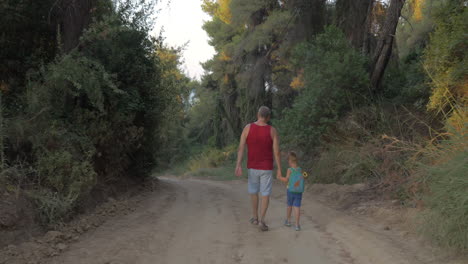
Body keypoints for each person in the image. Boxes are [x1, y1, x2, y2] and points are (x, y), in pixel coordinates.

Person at [235, 106, 282, 231]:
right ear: (268, 117)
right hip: (266, 168)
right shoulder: (272, 130)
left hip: (252, 167)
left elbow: (241, 148)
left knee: (253, 192)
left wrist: (238, 164)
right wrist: (279, 169)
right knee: (265, 194)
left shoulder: (247, 128)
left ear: (257, 115)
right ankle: (262, 220)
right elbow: (277, 152)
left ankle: (255, 217)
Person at [278, 151, 305, 231]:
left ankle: (288, 221)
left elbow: (286, 180)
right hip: (299, 191)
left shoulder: (289, 170)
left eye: (288, 161)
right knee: (297, 207)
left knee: (289, 205)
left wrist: (279, 177)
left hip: (290, 191)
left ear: (290, 161)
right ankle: (297, 225)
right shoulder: (300, 169)